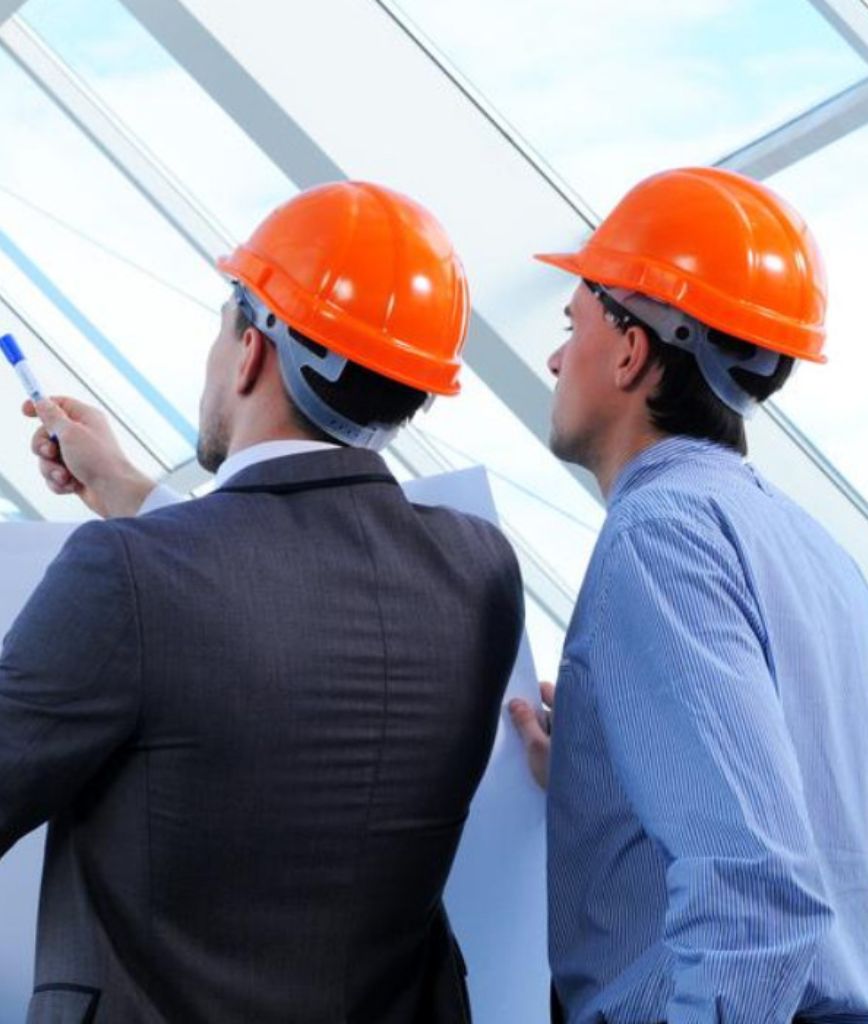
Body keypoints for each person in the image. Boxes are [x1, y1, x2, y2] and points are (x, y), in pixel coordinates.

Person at [0, 181, 524, 1023]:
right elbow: (270, 594)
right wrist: (135, 494)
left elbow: (219, 599)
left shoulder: (125, 576)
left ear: (252, 350)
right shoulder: (480, 575)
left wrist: (138, 533)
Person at [509, 167, 868, 1023]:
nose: (559, 357)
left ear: (632, 349)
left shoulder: (659, 535)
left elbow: (757, 900)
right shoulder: (811, 547)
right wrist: (602, 781)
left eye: (574, 325)